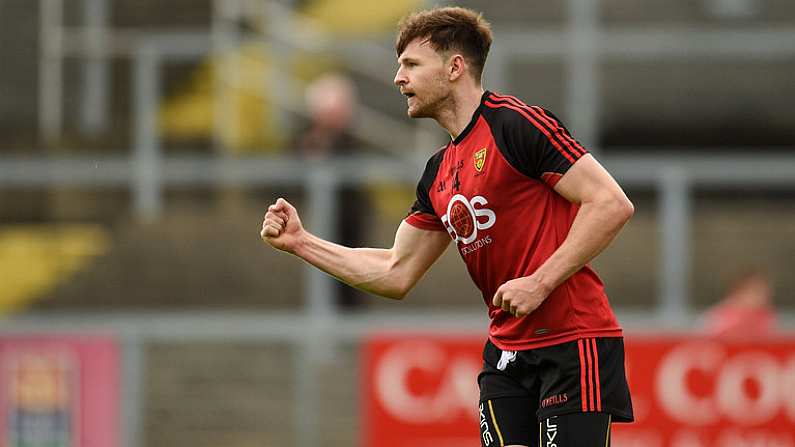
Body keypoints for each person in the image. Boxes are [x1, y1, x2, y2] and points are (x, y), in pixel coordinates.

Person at [261, 6, 634, 446]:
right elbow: (395, 272)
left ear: (455, 67)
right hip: (507, 354)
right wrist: (302, 243)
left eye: (411, 64)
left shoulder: (515, 124)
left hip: (574, 341)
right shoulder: (438, 171)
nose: (399, 78)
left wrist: (538, 282)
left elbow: (610, 203)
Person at [702, 267, 777, 337]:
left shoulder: (766, 317)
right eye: (755, 291)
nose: (761, 298)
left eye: (764, 293)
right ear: (739, 290)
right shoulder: (718, 316)